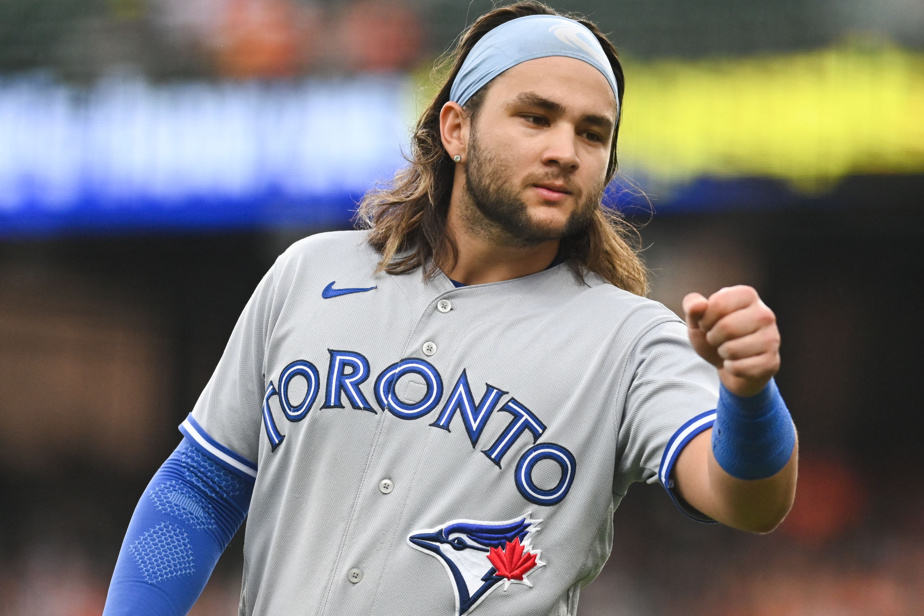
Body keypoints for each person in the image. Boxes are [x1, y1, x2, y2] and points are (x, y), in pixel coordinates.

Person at [103, 2, 798, 614]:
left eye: (592, 134)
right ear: (457, 129)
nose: (565, 150)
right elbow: (203, 485)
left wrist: (750, 393)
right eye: (536, 117)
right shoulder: (310, 274)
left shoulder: (631, 338)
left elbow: (747, 500)